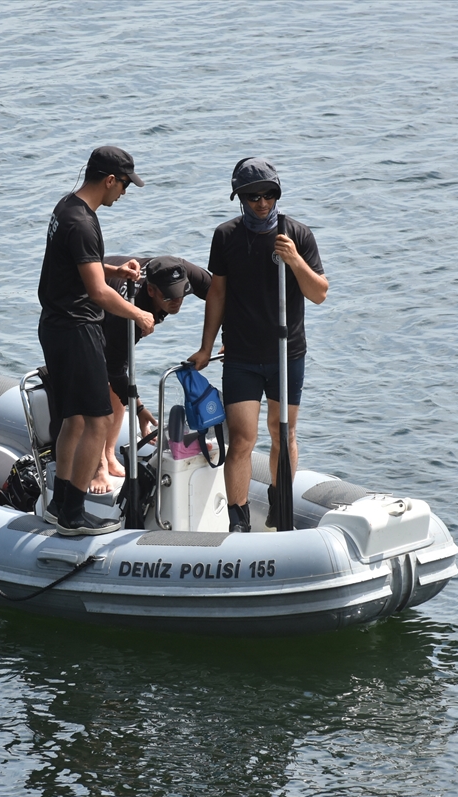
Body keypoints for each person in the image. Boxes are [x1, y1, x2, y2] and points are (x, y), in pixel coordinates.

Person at [188, 158, 328, 532]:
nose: (262, 203)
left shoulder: (297, 234)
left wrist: (294, 259)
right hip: (241, 356)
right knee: (243, 439)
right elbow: (217, 293)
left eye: (269, 195)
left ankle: (282, 509)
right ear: (239, 199)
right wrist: (206, 347)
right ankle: (239, 521)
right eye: (252, 197)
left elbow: (319, 294)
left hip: (287, 353)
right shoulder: (227, 236)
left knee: (283, 433)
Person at [37, 146, 155, 536]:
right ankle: (73, 514)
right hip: (76, 329)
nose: (123, 193)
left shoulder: (66, 207)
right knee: (100, 420)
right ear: (109, 180)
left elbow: (78, 263)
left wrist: (114, 269)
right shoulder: (84, 223)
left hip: (55, 325)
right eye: (124, 185)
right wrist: (137, 313)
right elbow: (98, 293)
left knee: (74, 418)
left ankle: (59, 504)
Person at [91, 255, 212, 494]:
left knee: (115, 387)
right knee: (98, 388)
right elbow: (115, 370)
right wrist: (138, 409)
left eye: (181, 294)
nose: (177, 301)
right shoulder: (128, 317)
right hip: (89, 305)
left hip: (127, 303)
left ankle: (109, 453)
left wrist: (227, 337)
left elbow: (221, 293)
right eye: (169, 296)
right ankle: (98, 466)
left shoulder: (182, 269)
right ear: (151, 290)